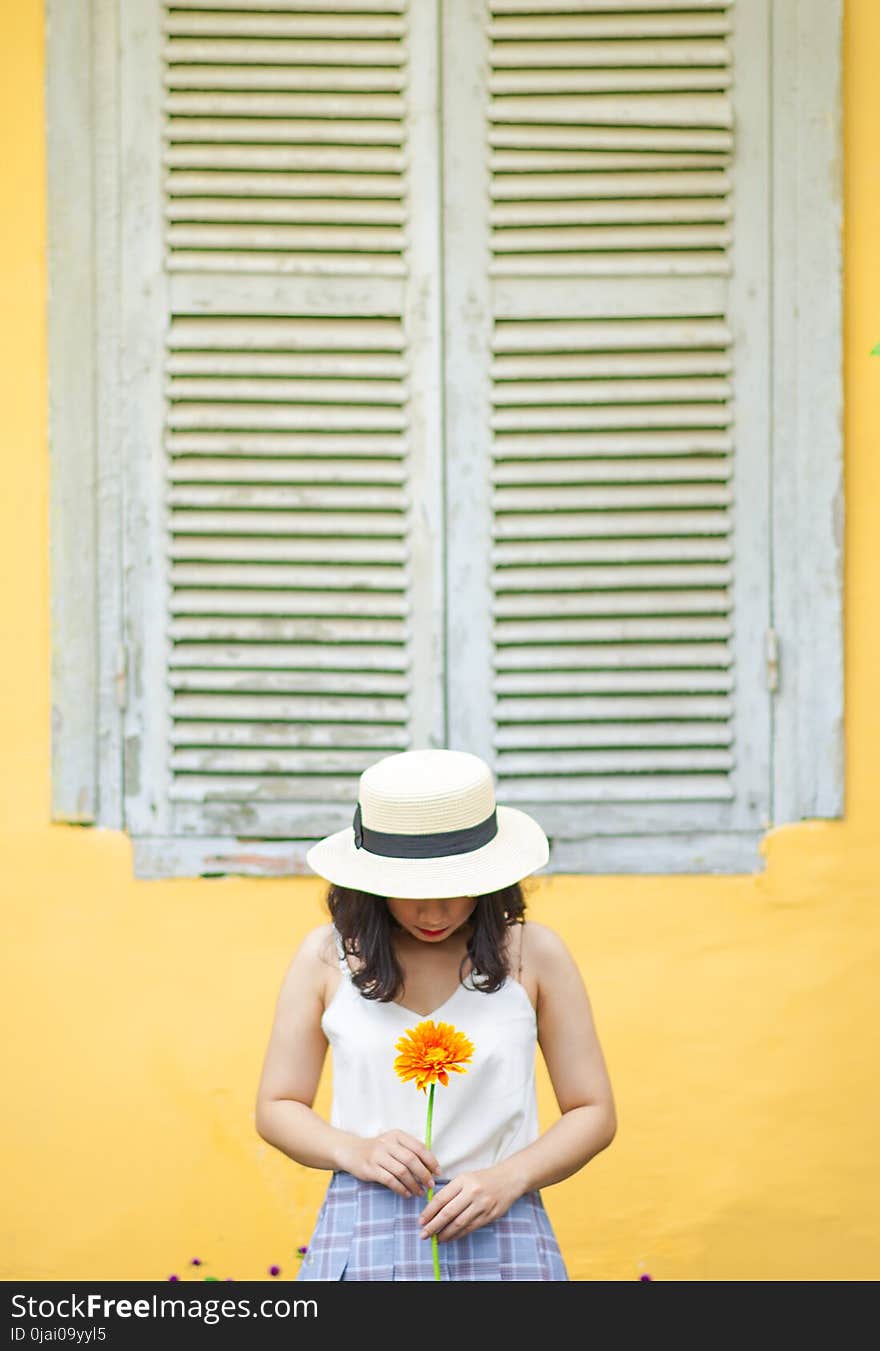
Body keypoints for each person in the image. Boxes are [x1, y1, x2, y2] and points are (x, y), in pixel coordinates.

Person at [255, 748, 616, 1281]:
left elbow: (593, 1112)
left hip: (501, 1223)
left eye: (456, 886)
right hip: (364, 1227)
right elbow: (277, 1106)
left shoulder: (534, 954)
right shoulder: (323, 957)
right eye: (412, 889)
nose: (434, 912)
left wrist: (509, 1178)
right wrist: (355, 1150)